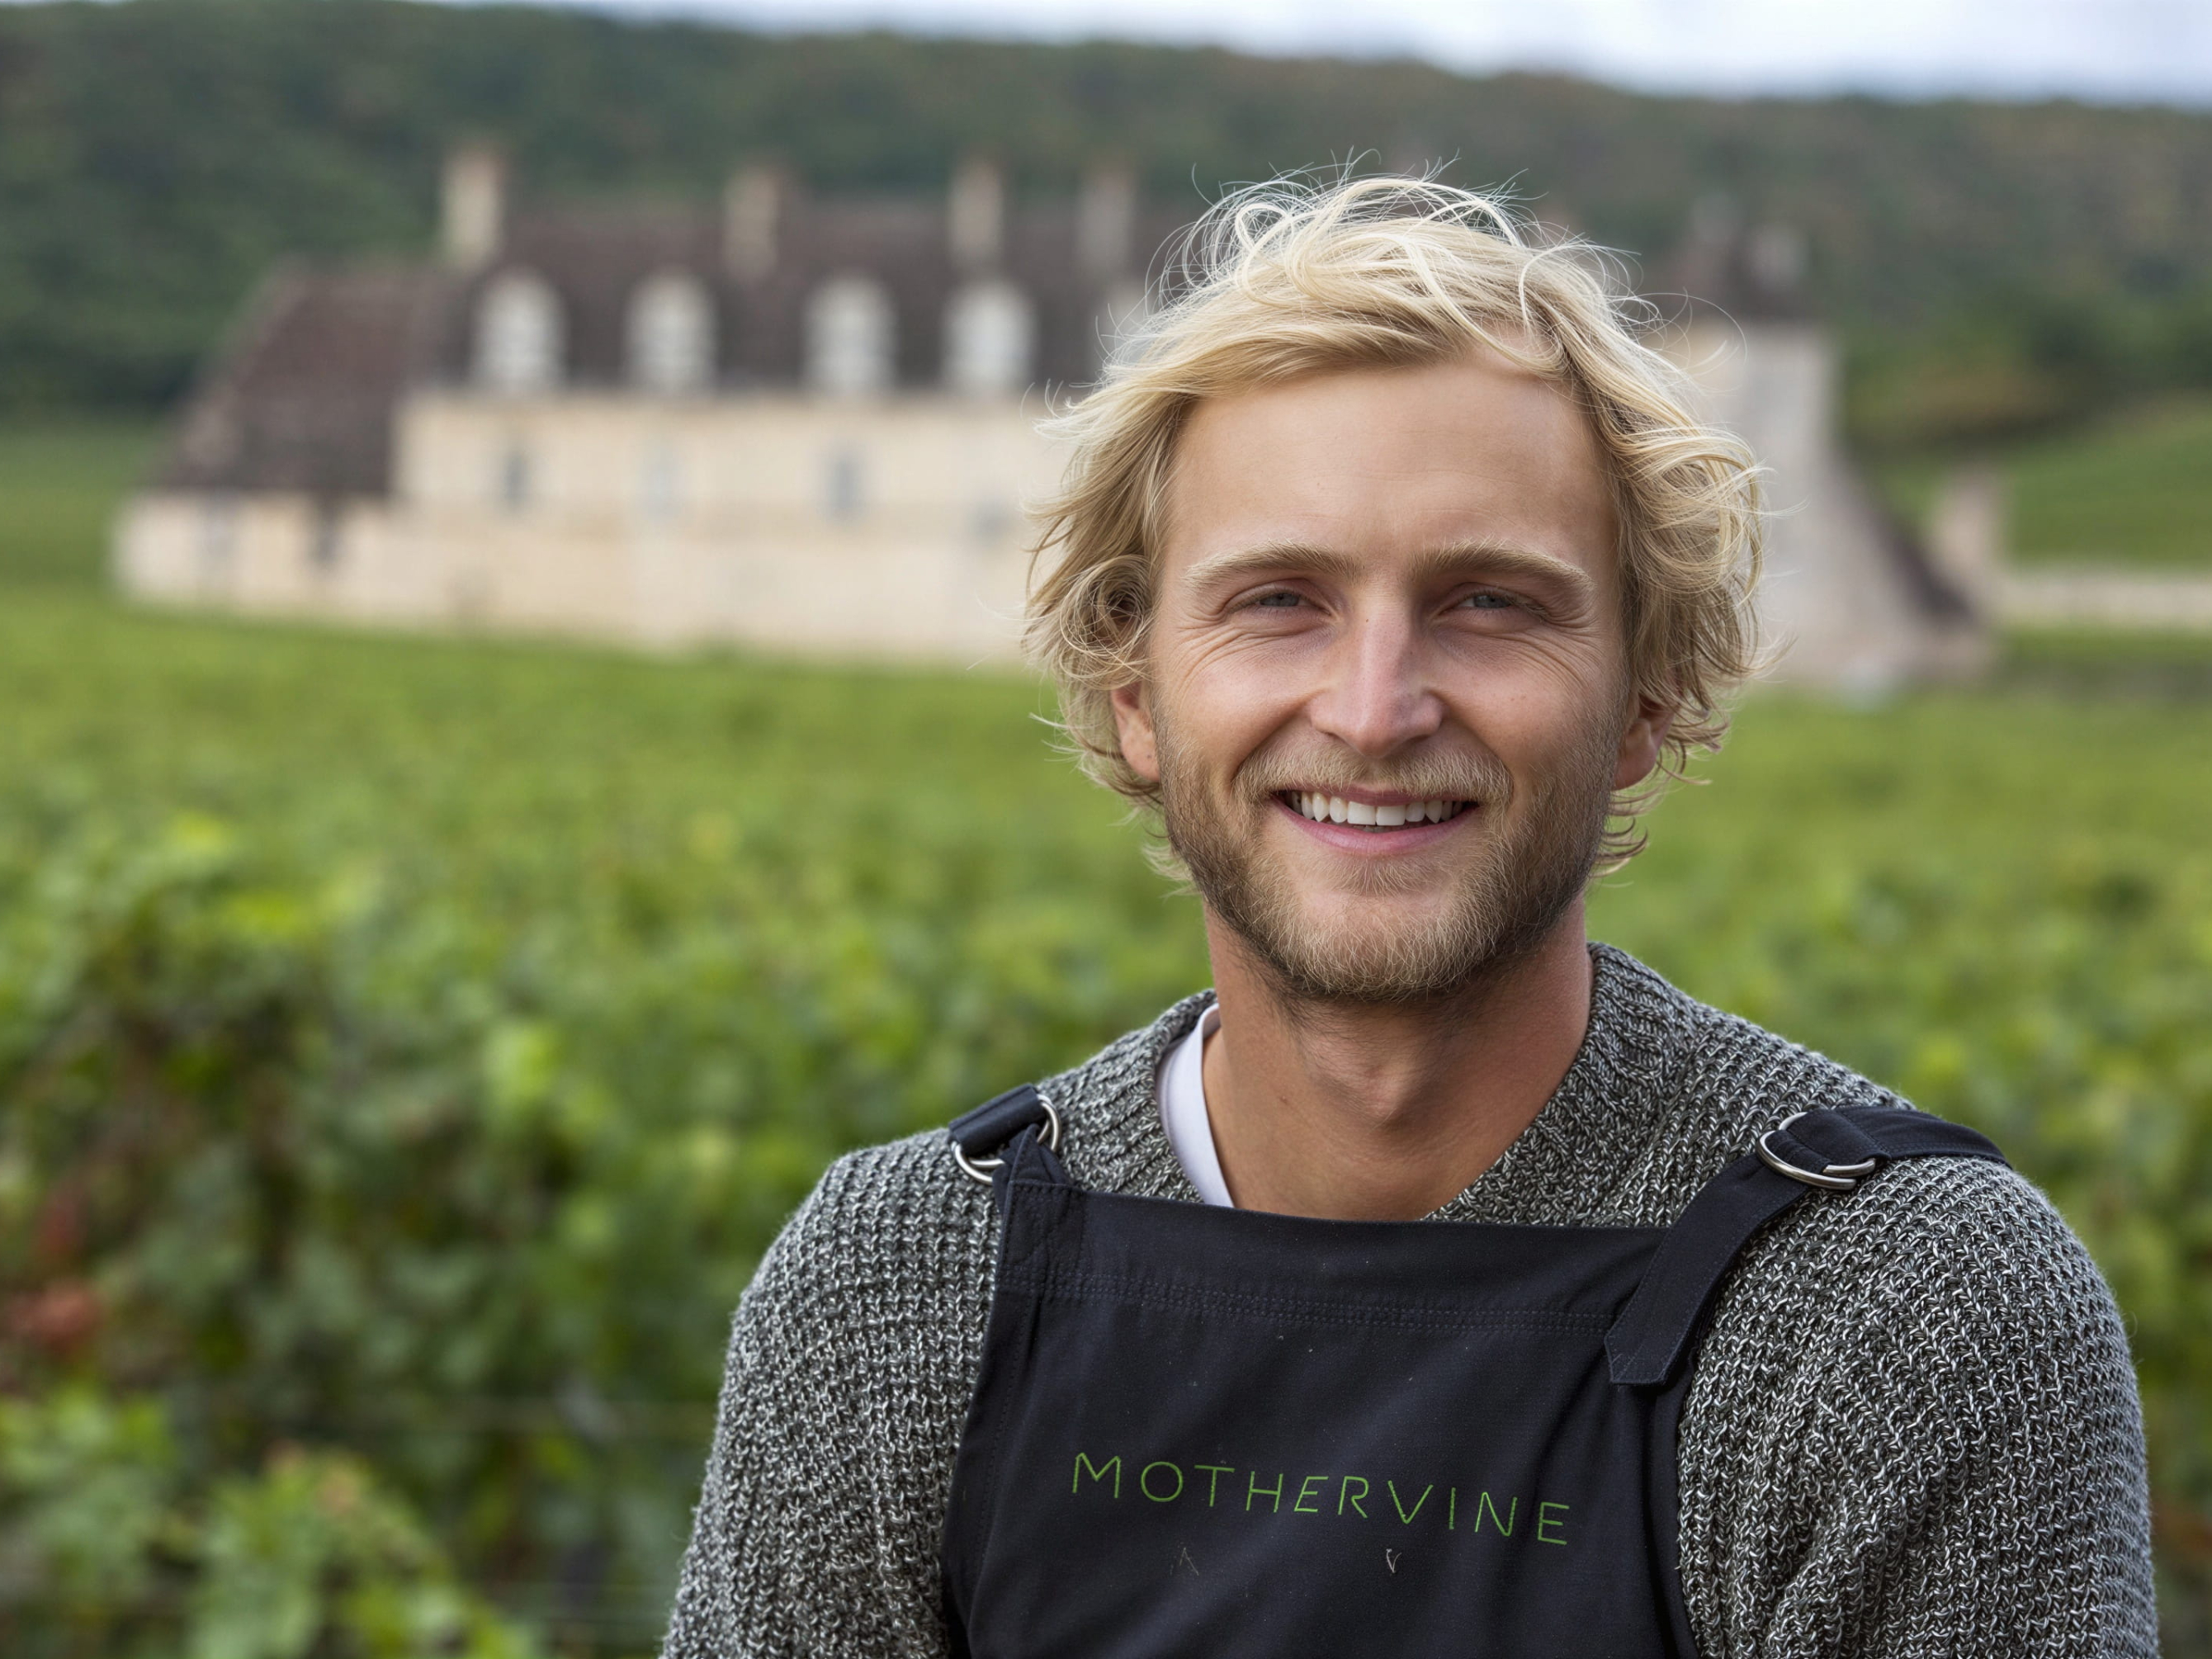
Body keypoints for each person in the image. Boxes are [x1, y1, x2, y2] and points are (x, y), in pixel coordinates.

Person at [661, 177, 2155, 1657]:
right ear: (1134, 697)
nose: (1375, 710)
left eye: (1491, 601)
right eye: (1279, 601)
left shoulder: (1896, 1314)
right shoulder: (902, 1285)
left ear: (1645, 698)